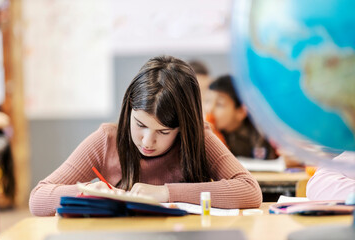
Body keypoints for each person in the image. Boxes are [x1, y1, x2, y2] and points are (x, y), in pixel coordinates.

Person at [29, 56, 262, 216]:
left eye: (163, 132)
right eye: (140, 125)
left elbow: (250, 190)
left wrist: (166, 192)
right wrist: (91, 193)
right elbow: (38, 199)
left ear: (183, 128)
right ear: (128, 109)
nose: (147, 141)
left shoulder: (199, 138)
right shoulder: (106, 140)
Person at [205, 74, 277, 160]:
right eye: (207, 101)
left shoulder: (262, 134)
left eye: (219, 104)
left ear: (241, 112)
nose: (210, 109)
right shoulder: (209, 134)